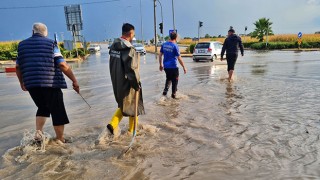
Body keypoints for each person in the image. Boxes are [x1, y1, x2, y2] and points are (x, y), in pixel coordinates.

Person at [15, 22, 79, 144]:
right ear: (46, 34)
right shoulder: (51, 44)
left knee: (42, 107)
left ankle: (38, 134)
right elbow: (62, 64)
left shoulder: (21, 45)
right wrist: (74, 80)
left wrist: (22, 82)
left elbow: (17, 67)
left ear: (33, 32)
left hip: (31, 84)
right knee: (57, 110)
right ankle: (60, 140)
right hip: (51, 84)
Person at [107, 23, 145, 136]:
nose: (133, 36)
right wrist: (136, 84)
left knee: (124, 104)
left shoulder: (113, 46)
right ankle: (132, 132)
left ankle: (112, 125)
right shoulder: (129, 49)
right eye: (133, 34)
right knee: (134, 105)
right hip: (127, 82)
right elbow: (131, 70)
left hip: (116, 81)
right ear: (130, 33)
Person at [159, 32, 187, 99]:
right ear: (176, 38)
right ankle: (173, 95)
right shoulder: (175, 46)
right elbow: (179, 58)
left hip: (166, 67)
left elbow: (160, 55)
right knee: (175, 81)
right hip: (173, 67)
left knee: (168, 78)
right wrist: (184, 67)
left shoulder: (164, 44)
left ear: (170, 37)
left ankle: (165, 91)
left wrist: (160, 64)